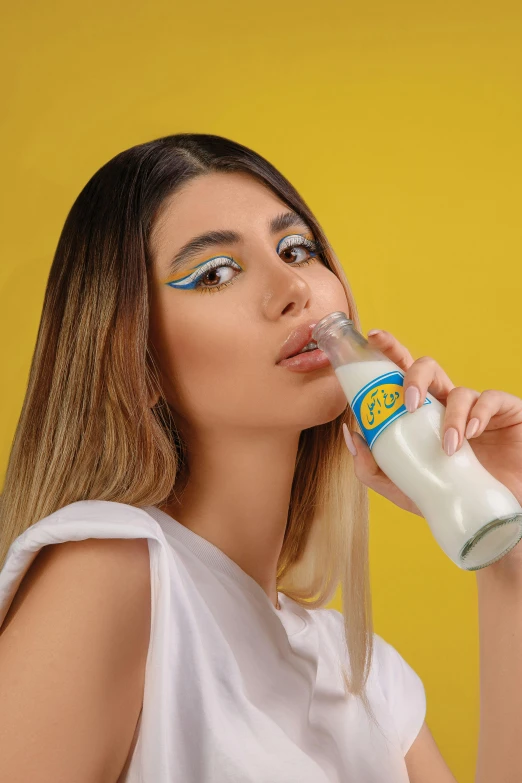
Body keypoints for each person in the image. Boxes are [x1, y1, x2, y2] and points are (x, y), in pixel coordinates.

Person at [0, 134, 520, 783]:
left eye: (296, 249)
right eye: (215, 272)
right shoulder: (113, 566)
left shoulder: (366, 680)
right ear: (135, 361)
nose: (294, 287)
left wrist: (505, 550)